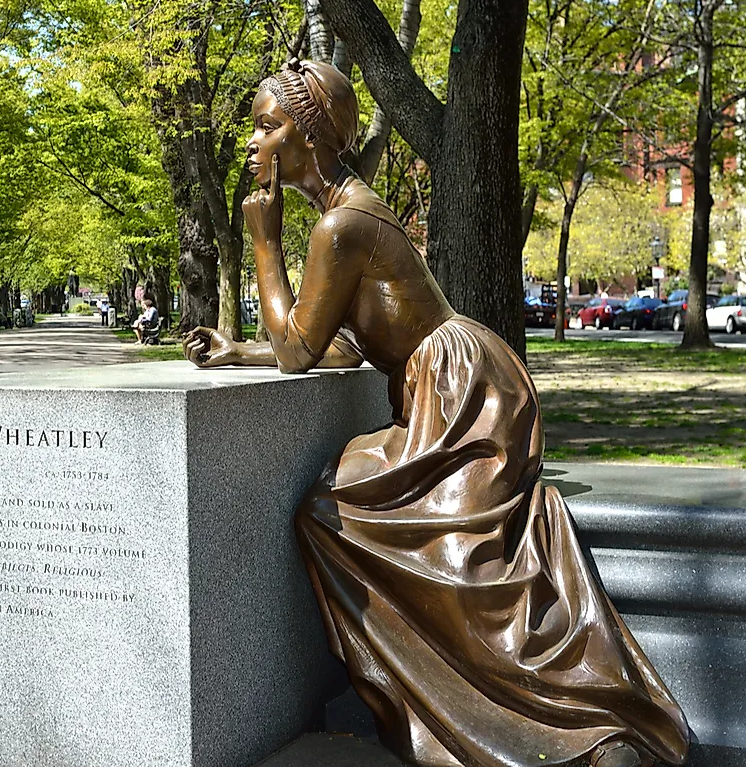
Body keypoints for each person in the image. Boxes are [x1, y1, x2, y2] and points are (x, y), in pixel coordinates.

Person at [182, 60, 687, 767]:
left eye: (267, 125)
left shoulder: (339, 225)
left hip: (460, 395)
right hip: (450, 386)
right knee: (342, 516)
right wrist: (238, 352)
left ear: (312, 136)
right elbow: (334, 344)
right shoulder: (346, 211)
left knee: (418, 541)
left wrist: (264, 242)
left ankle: (568, 726)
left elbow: (298, 350)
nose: (252, 141)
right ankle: (465, 702)